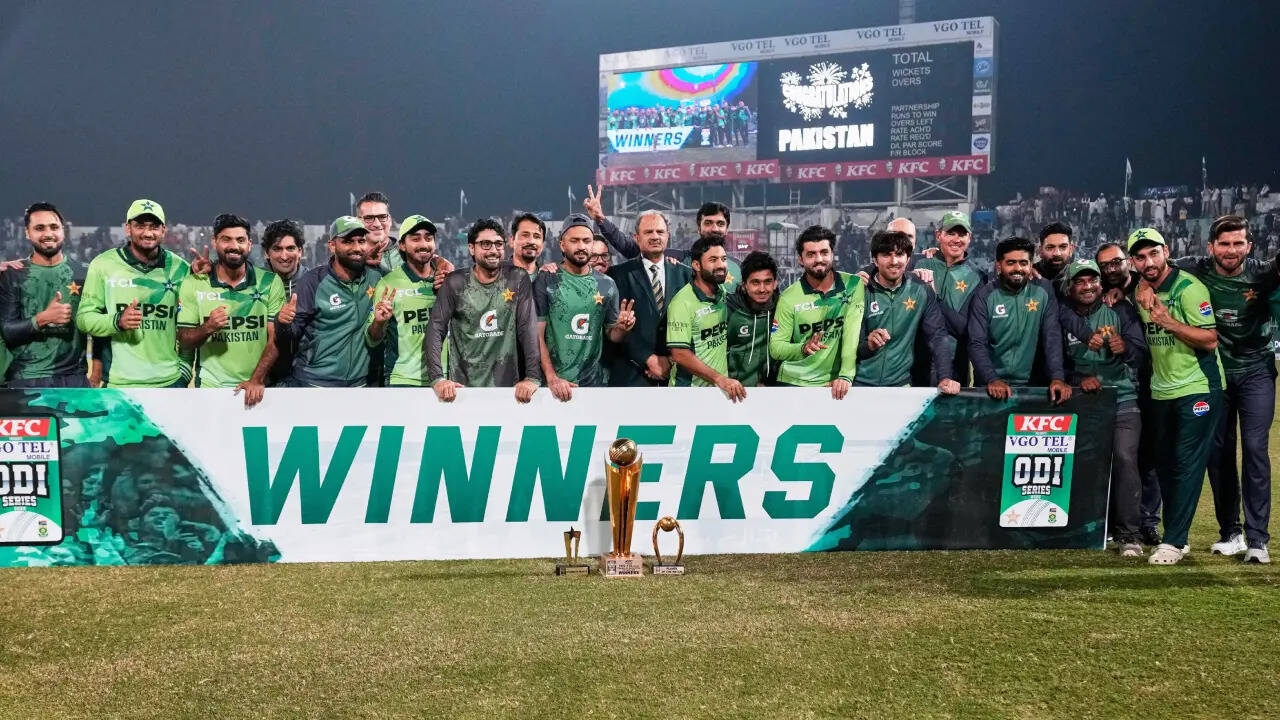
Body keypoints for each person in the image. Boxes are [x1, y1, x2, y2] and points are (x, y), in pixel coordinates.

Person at [1167, 216, 1275, 562]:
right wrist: (1127, 287)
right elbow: (1151, 267)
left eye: (1238, 243)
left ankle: (1258, 540)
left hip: (1256, 371)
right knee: (1218, 452)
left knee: (1255, 448)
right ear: (1211, 246)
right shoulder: (1192, 268)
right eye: (1224, 244)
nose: (1231, 250)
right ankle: (1231, 533)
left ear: (1249, 246)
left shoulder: (1263, 273)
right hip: (1215, 375)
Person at [1128, 227, 1225, 565]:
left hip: (1198, 387)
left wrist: (1168, 322)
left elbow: (1210, 339)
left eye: (1154, 253)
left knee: (1186, 463)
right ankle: (1176, 537)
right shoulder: (1142, 288)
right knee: (1166, 464)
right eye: (1141, 257)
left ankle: (1174, 541)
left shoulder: (1189, 288)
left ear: (1166, 251)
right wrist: (1139, 286)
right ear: (1133, 262)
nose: (1149, 262)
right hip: (1161, 390)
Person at [1059, 260, 1148, 556]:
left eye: (1093, 281)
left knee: (1125, 458)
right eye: (1080, 282)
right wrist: (1078, 379)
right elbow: (1054, 364)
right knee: (1082, 463)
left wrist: (1128, 349)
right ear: (1070, 287)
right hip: (1081, 402)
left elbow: (1142, 354)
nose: (1087, 287)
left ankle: (1129, 535)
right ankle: (1083, 528)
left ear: (1101, 285)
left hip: (1122, 397)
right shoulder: (1060, 316)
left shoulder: (1120, 311)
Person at [76, 199, 193, 388]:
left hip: (169, 382)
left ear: (163, 230)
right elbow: (84, 319)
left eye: (154, 226)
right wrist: (117, 321)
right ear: (127, 228)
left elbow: (190, 326)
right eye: (140, 226)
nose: (148, 233)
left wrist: (184, 375)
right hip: (119, 384)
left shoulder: (181, 268)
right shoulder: (103, 265)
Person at [426, 218, 541, 403]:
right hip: (462, 390)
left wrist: (532, 377)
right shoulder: (455, 282)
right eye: (486, 244)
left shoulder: (518, 279)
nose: (493, 250)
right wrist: (437, 378)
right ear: (472, 248)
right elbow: (435, 329)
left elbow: (527, 329)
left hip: (508, 391)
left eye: (498, 244)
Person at [176, 213, 284, 407]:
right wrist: (208, 327)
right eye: (226, 239)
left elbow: (275, 339)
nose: (234, 246)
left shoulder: (270, 282)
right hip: (210, 388)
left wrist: (257, 379)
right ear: (215, 242)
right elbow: (184, 340)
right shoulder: (194, 283)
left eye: (240, 240)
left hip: (257, 388)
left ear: (249, 244)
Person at [535, 214, 635, 401]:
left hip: (594, 385)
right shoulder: (547, 279)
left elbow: (612, 335)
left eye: (586, 241)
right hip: (552, 387)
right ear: (562, 244)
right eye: (574, 241)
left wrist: (622, 328)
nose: (581, 246)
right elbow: (537, 335)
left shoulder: (607, 284)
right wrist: (552, 378)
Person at [277, 216, 380, 387]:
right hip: (315, 382)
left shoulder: (376, 278)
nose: (356, 247)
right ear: (332, 246)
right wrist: (282, 323)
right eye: (348, 241)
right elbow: (291, 334)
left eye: (361, 241)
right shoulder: (313, 281)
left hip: (359, 384)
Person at [967, 236, 1071, 404]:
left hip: (1033, 385)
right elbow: (976, 343)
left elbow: (1052, 337)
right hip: (991, 387)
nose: (1018, 268)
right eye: (1011, 263)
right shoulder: (984, 296)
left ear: (1031, 265)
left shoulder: (1044, 290)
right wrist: (991, 378)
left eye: (1023, 263)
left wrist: (1057, 377)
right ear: (998, 265)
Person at [855, 230, 957, 393]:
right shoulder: (860, 290)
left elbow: (937, 336)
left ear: (908, 259)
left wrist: (945, 376)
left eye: (899, 254)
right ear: (875, 260)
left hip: (900, 386)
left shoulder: (921, 290)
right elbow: (846, 345)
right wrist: (869, 345)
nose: (894, 261)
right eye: (886, 255)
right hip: (859, 385)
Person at [0, 202, 90, 387]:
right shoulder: (13, 274)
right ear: (27, 232)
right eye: (39, 228)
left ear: (63, 230)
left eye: (54, 227)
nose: (48, 234)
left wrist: (96, 371)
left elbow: (98, 328)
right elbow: (7, 331)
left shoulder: (84, 273)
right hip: (26, 378)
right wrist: (43, 318)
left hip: (74, 377)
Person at [769, 225, 864, 399]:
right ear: (800, 259)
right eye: (811, 254)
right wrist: (803, 348)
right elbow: (776, 348)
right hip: (795, 381)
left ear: (832, 254)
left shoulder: (853, 285)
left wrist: (845, 375)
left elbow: (851, 335)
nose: (819, 259)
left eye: (824, 252)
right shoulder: (789, 297)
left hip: (837, 383)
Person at [604, 210, 692, 386]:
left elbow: (694, 326)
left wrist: (670, 360)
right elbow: (614, 327)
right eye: (648, 232)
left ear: (667, 236)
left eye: (660, 232)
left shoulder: (686, 275)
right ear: (636, 237)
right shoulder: (617, 275)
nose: (655, 236)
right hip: (631, 376)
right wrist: (648, 359)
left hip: (676, 376)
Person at [364, 215, 454, 387]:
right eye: (415, 239)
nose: (423, 244)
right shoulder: (388, 284)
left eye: (428, 238)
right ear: (402, 245)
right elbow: (372, 340)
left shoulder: (448, 280)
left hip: (445, 378)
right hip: (403, 380)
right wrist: (379, 322)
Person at [667, 234, 742, 400]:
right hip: (688, 393)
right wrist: (719, 378)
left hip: (720, 390)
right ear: (696, 265)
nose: (721, 265)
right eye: (713, 260)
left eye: (723, 259)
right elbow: (680, 354)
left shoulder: (722, 293)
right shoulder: (682, 303)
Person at [916, 211, 987, 385]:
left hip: (954, 366)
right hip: (915, 363)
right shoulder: (920, 263)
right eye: (951, 233)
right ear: (938, 235)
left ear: (969, 238)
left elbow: (965, 328)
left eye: (962, 234)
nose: (956, 239)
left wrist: (932, 297)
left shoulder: (977, 277)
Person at [260, 219, 306, 386]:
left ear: (300, 251)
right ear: (267, 253)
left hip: (304, 378)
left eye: (290, 248)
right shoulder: (255, 283)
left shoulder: (314, 283)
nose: (284, 256)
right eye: (277, 249)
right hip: (264, 377)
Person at [725, 251, 778, 387]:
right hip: (733, 390)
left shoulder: (783, 309)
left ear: (775, 283)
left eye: (767, 282)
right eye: (755, 282)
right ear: (744, 285)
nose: (762, 289)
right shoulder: (729, 310)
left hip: (774, 391)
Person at [355, 191, 399, 272]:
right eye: (368, 218)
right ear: (357, 221)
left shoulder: (409, 257)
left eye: (382, 217)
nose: (377, 224)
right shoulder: (347, 260)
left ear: (390, 220)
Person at [1034, 221, 1075, 290]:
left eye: (1063, 247)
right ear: (1040, 251)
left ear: (1071, 250)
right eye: (1050, 247)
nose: (1057, 253)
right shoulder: (1028, 275)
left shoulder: (1079, 275)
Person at [508, 212, 546, 277]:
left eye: (537, 237)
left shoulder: (549, 280)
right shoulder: (495, 275)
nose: (531, 241)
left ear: (542, 245)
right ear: (512, 241)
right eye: (525, 235)